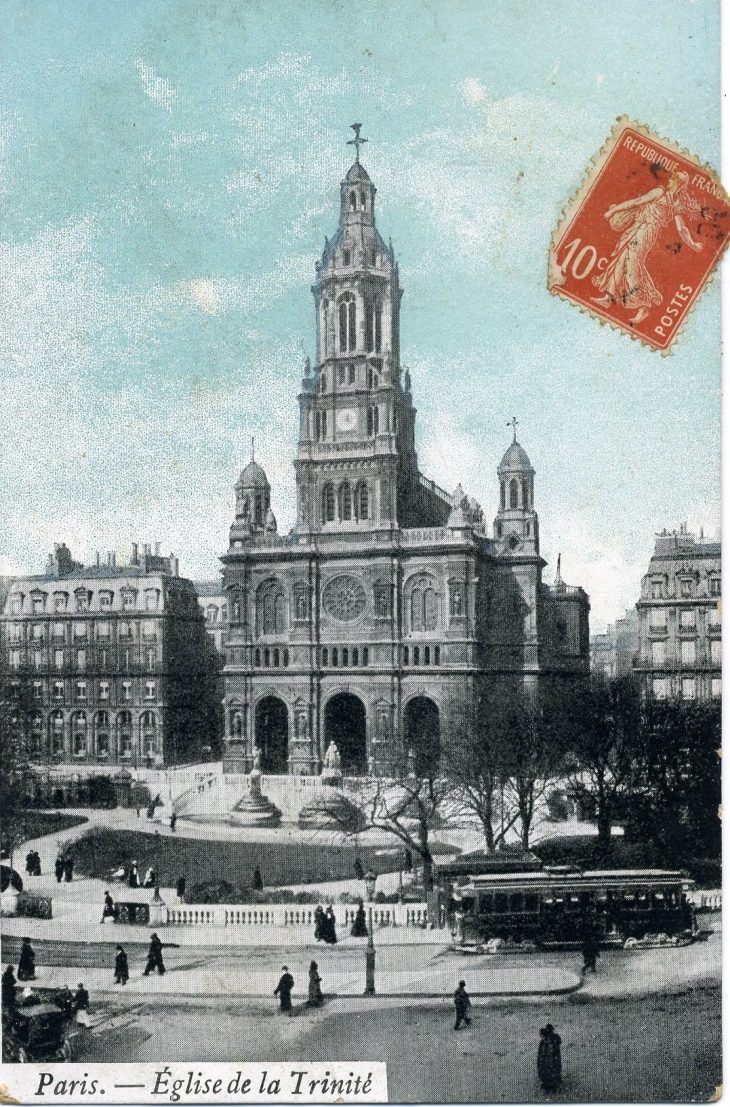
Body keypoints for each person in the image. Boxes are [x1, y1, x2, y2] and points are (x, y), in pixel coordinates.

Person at [537, 1023, 562, 1092]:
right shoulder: (553, 1040)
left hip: (549, 1062)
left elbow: (540, 1056)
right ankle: (552, 1084)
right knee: (553, 1072)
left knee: (549, 1072)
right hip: (551, 1062)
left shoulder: (544, 1043)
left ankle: (550, 1085)